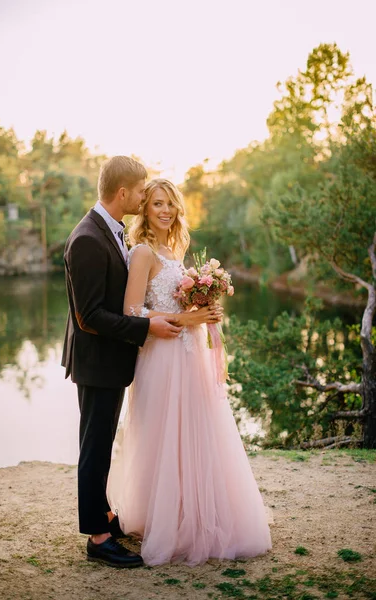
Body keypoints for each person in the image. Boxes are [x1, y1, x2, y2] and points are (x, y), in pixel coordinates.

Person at [107, 178, 272, 566]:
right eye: (157, 204)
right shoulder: (143, 252)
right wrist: (186, 316)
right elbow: (132, 312)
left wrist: (206, 312)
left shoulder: (174, 249)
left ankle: (193, 516)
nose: (165, 211)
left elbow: (182, 305)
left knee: (196, 432)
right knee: (164, 435)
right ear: (145, 209)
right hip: (161, 357)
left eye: (170, 204)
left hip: (189, 353)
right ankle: (164, 519)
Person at [61, 157, 215, 568]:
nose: (149, 199)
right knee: (94, 448)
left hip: (113, 359)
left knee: (103, 445)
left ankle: (106, 517)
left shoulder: (111, 234)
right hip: (96, 361)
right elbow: (88, 316)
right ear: (124, 193)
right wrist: (150, 328)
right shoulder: (88, 239)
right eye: (144, 192)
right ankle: (97, 538)